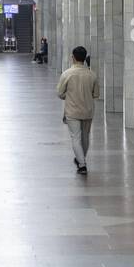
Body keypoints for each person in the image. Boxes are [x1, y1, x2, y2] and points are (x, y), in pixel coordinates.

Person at [57, 45, 100, 177]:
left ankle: (82, 164)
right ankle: (81, 159)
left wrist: (69, 96)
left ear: (73, 57)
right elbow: (96, 94)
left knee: (75, 137)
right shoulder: (92, 75)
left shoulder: (67, 74)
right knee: (85, 136)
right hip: (87, 110)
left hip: (72, 111)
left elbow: (60, 93)